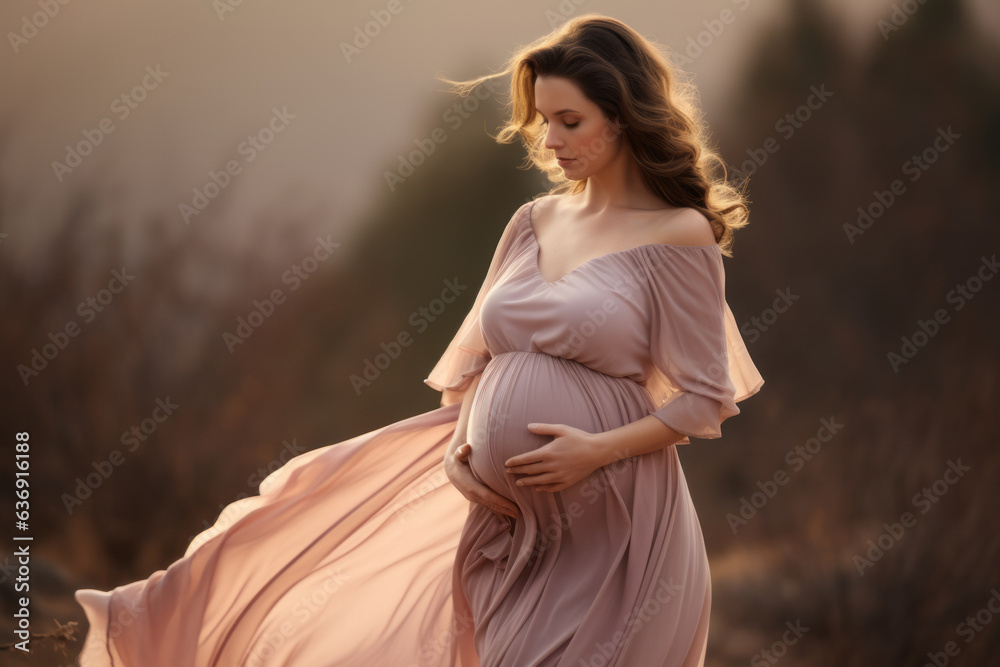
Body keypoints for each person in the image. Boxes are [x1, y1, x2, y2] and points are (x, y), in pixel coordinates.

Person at [73, 13, 763, 667]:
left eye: (569, 121)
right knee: (302, 535)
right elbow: (476, 360)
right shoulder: (532, 222)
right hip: (507, 535)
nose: (550, 141)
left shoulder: (678, 236)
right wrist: (466, 439)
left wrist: (591, 452)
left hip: (616, 532)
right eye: (544, 121)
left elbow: (703, 400)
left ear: (624, 116)